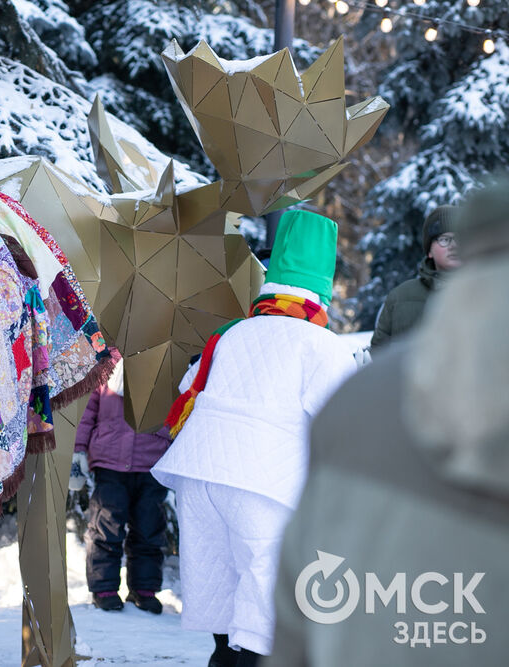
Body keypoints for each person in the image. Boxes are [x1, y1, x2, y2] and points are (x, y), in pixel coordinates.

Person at [269, 179, 509, 666]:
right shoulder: (402, 301)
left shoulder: (353, 400)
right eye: (444, 239)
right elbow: (381, 347)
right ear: (429, 248)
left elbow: (303, 588)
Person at [151, 210, 357, 666]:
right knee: (267, 604)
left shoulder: (232, 334)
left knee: (223, 595)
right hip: (261, 484)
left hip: (199, 475)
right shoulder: (321, 345)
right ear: (322, 290)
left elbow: (188, 394)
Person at [70, 358, 171, 614]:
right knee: (106, 527)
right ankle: (104, 588)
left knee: (149, 530)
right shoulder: (107, 364)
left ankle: (144, 589)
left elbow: (180, 411)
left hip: (152, 460)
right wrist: (78, 449)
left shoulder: (167, 362)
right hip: (110, 460)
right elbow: (87, 410)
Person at [371, 205, 459, 351]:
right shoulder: (400, 297)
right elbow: (378, 355)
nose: (454, 246)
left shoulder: (493, 292)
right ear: (429, 250)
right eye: (445, 239)